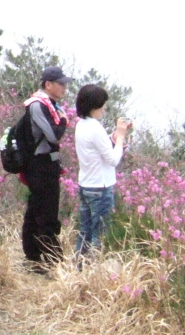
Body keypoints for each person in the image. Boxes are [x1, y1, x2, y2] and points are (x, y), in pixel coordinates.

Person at [19, 66, 72, 273]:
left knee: (36, 209)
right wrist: (64, 120)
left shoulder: (49, 104)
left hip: (44, 164)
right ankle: (52, 260)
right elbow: (53, 135)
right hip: (40, 165)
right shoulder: (38, 105)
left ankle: (34, 256)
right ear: (48, 84)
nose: (64, 87)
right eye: (61, 83)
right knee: (45, 212)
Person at [74, 84, 131, 261]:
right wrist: (120, 138)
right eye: (103, 105)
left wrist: (113, 137)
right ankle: (94, 271)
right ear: (94, 106)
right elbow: (113, 160)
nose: (104, 108)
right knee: (100, 233)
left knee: (85, 230)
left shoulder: (81, 125)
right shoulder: (95, 127)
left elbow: (98, 147)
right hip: (101, 187)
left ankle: (78, 267)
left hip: (86, 185)